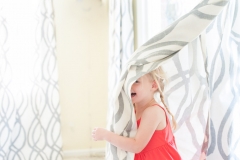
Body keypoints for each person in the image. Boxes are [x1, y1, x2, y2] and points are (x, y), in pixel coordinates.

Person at [92, 67, 182, 160]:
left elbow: (136, 146)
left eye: (136, 81)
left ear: (153, 85)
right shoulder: (132, 111)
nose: (129, 85)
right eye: (128, 80)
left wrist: (106, 135)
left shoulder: (153, 111)